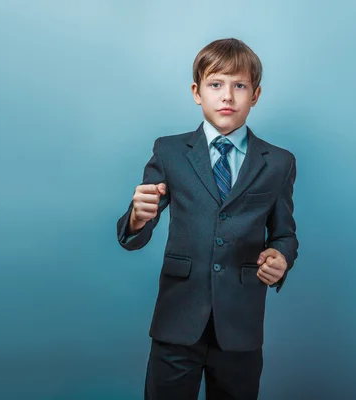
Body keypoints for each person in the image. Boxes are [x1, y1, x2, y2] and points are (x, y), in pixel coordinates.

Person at [116, 37, 299, 400]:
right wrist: (137, 217)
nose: (227, 96)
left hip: (241, 323)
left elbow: (285, 234)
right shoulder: (169, 151)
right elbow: (137, 230)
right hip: (177, 317)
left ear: (256, 95)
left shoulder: (278, 162)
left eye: (239, 86)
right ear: (197, 92)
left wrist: (282, 258)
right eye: (216, 84)